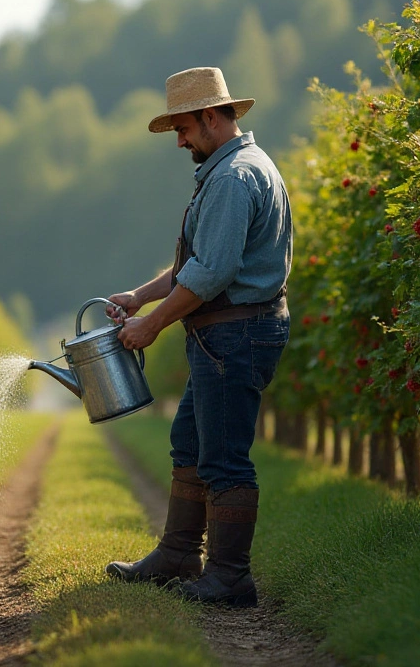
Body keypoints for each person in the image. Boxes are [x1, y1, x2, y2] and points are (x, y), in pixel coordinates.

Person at [103, 67, 292, 608]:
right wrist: (141, 296)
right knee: (189, 444)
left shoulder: (234, 178)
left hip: (237, 334)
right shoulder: (233, 168)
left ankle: (230, 576)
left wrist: (152, 325)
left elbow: (210, 274)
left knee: (225, 461)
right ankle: (180, 555)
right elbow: (197, 261)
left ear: (211, 117)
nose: (180, 140)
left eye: (183, 127)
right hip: (226, 336)